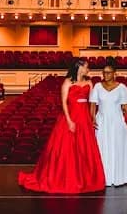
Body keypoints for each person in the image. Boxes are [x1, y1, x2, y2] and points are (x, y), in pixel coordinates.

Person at [18, 59, 106, 194]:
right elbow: (64, 103)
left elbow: (92, 102)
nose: (89, 69)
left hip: (84, 118)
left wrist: (92, 117)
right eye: (87, 66)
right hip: (70, 116)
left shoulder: (89, 82)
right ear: (80, 67)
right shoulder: (67, 82)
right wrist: (70, 121)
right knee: (67, 148)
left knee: (84, 148)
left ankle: (85, 180)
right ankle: (68, 179)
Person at [89, 61, 127, 187]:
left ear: (115, 74)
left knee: (117, 148)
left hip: (117, 122)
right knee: (101, 148)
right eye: (104, 72)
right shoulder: (97, 86)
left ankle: (118, 177)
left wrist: (126, 119)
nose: (106, 74)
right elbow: (93, 104)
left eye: (108, 72)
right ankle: (103, 178)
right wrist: (92, 118)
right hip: (102, 121)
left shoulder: (122, 87)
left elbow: (125, 106)